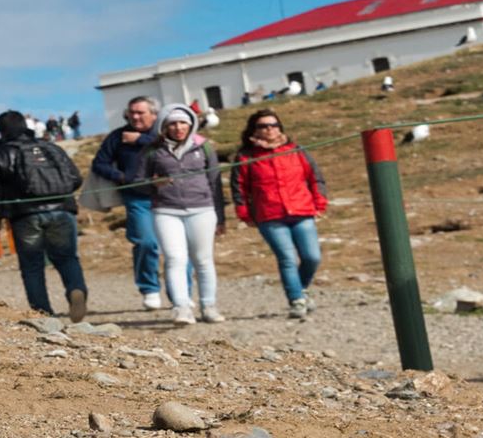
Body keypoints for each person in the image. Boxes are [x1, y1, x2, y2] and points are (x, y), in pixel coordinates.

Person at [0, 110, 87, 322]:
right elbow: (75, 178)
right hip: (61, 210)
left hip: (24, 216)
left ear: (0, 131)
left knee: (32, 265)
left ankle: (44, 314)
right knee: (67, 258)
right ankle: (76, 289)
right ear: (25, 125)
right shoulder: (51, 147)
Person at [231, 109, 329, 319]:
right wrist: (243, 213)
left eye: (274, 125)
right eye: (263, 126)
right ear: (253, 130)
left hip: (301, 209)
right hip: (269, 215)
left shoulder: (296, 150)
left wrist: (320, 203)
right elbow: (239, 187)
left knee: (312, 257)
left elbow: (315, 177)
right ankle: (296, 300)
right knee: (287, 259)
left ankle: (300, 289)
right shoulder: (246, 157)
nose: (269, 129)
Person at [137, 104, 226, 326]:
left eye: (183, 122)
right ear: (164, 126)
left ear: (191, 124)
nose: (178, 127)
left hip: (203, 209)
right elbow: (137, 182)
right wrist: (153, 183)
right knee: (175, 258)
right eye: (172, 123)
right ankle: (181, 307)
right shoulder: (151, 150)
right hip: (166, 211)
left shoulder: (204, 147)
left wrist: (221, 216)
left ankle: (209, 306)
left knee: (203, 260)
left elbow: (215, 182)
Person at [91, 96, 174, 309]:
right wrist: (121, 178)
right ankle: (149, 289)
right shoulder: (117, 136)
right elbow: (99, 163)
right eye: (131, 112)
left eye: (140, 112)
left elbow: (173, 149)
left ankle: (179, 293)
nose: (135, 117)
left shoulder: (165, 131)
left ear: (154, 115)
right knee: (146, 242)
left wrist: (140, 140)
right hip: (137, 197)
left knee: (175, 246)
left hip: (169, 198)